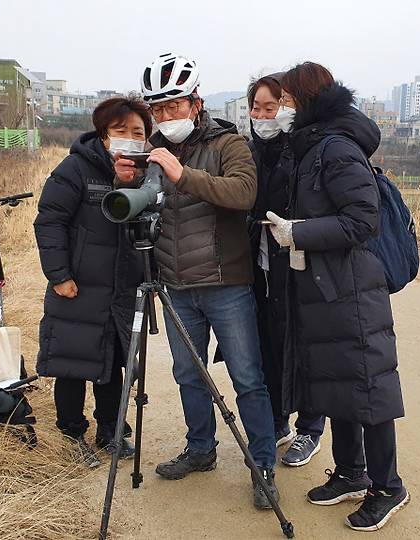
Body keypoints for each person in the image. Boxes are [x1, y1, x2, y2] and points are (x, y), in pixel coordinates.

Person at [115, 53, 279, 509]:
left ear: (196, 102)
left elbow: (244, 194)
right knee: (189, 374)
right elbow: (144, 209)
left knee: (248, 378)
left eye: (174, 107)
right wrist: (127, 181)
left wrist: (182, 174)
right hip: (175, 285)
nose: (166, 118)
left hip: (227, 283)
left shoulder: (228, 144)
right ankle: (201, 449)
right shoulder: (151, 149)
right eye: (158, 110)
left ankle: (262, 463)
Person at [266, 62, 410, 531]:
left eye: (286, 99)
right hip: (324, 287)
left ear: (307, 100)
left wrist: (300, 232)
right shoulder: (311, 145)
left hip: (351, 287)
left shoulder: (337, 148)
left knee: (368, 387)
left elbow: (362, 220)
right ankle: (351, 472)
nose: (281, 108)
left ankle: (388, 487)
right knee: (337, 385)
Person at [34, 97, 153, 467]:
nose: (130, 139)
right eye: (121, 132)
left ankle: (110, 430)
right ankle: (72, 434)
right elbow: (49, 221)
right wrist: (59, 275)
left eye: (138, 133)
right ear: (103, 136)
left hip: (121, 289)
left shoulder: (145, 173)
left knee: (113, 365)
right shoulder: (75, 169)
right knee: (73, 366)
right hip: (78, 288)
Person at [247, 73, 326, 467]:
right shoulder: (249, 150)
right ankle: (278, 420)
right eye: (256, 107)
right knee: (268, 346)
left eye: (271, 106)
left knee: (303, 347)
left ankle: (310, 428)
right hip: (261, 264)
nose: (263, 115)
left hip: (297, 264)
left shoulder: (300, 149)